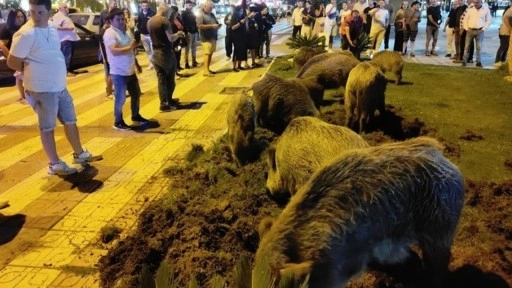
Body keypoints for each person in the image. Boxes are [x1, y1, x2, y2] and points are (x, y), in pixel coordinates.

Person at [7, 0, 102, 176]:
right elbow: (12, 62)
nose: (36, 16)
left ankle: (80, 154)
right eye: (32, 12)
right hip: (42, 89)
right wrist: (29, 70)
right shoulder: (25, 34)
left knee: (70, 120)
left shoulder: (51, 26)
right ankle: (55, 164)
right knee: (47, 127)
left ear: (49, 13)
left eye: (40, 12)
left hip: (59, 85)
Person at [103, 8, 148, 131]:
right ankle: (118, 121)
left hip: (130, 69)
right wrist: (129, 48)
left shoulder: (127, 31)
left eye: (123, 19)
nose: (121, 21)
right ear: (111, 21)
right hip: (118, 72)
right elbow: (114, 51)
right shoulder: (110, 33)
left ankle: (136, 116)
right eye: (118, 19)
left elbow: (132, 48)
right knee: (121, 98)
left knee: (136, 94)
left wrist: (137, 64)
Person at [147, 3, 185, 112]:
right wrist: (178, 33)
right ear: (164, 11)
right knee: (169, 79)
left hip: (155, 52)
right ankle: (166, 103)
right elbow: (171, 38)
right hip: (165, 53)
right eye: (169, 12)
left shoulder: (150, 21)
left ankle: (166, 101)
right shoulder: (164, 21)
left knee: (161, 78)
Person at [0, 9, 27, 102]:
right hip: (15, 55)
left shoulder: (25, 28)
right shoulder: (7, 29)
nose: (20, 19)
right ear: (12, 18)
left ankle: (26, 95)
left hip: (25, 54)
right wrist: (10, 57)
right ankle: (23, 96)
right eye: (17, 17)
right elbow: (2, 45)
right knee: (20, 75)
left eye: (22, 17)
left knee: (23, 75)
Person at [53, 2, 80, 76]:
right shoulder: (58, 16)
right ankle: (66, 72)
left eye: (66, 7)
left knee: (69, 56)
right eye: (64, 7)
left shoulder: (64, 16)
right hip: (65, 40)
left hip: (70, 39)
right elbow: (57, 27)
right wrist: (68, 28)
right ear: (60, 8)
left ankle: (69, 70)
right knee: (66, 56)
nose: (66, 9)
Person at [461, 0, 491, 67]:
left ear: (481, 2)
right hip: (470, 30)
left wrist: (483, 29)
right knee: (467, 46)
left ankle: (478, 62)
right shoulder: (470, 9)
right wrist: (466, 28)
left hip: (479, 30)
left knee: (479, 47)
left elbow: (488, 20)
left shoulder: (485, 10)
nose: (475, 4)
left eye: (477, 2)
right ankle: (464, 61)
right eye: (474, 2)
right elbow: (465, 19)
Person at [197, 0, 221, 77]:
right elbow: (199, 26)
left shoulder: (212, 14)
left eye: (212, 7)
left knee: (210, 53)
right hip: (206, 38)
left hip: (213, 37)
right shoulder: (200, 15)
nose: (211, 9)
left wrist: (217, 25)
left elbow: (215, 22)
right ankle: (206, 71)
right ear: (205, 6)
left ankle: (208, 69)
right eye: (210, 7)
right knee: (207, 54)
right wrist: (212, 26)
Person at [99, 0, 117, 97]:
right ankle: (109, 91)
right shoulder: (103, 13)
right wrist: (104, 28)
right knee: (108, 69)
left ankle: (115, 89)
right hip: (105, 45)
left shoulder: (118, 12)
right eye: (113, 3)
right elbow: (100, 29)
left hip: (115, 43)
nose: (115, 4)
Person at [136, 0, 155, 70]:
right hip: (143, 35)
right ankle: (152, 63)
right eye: (143, 6)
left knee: (153, 50)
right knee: (147, 50)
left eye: (146, 6)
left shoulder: (153, 13)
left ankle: (154, 63)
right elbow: (138, 23)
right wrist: (140, 30)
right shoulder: (140, 14)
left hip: (151, 35)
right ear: (141, 6)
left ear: (148, 5)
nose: (145, 7)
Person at [169, 5, 186, 76]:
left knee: (178, 53)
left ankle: (178, 66)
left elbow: (182, 26)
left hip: (179, 40)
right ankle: (175, 70)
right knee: (174, 55)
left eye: (175, 12)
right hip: (174, 40)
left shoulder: (177, 19)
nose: (175, 13)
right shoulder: (169, 20)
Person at [182, 0, 199, 68]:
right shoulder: (184, 13)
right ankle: (186, 63)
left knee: (194, 48)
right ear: (186, 5)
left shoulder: (193, 12)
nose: (191, 6)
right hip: (188, 33)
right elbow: (183, 23)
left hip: (194, 32)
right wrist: (186, 31)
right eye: (189, 5)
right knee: (187, 49)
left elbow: (195, 22)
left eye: (191, 5)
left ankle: (194, 61)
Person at [231, 4, 248, 71]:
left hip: (242, 36)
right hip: (237, 37)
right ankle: (234, 67)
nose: (241, 12)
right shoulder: (234, 17)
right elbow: (233, 27)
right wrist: (240, 23)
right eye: (240, 10)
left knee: (242, 51)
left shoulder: (241, 16)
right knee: (236, 51)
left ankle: (239, 65)